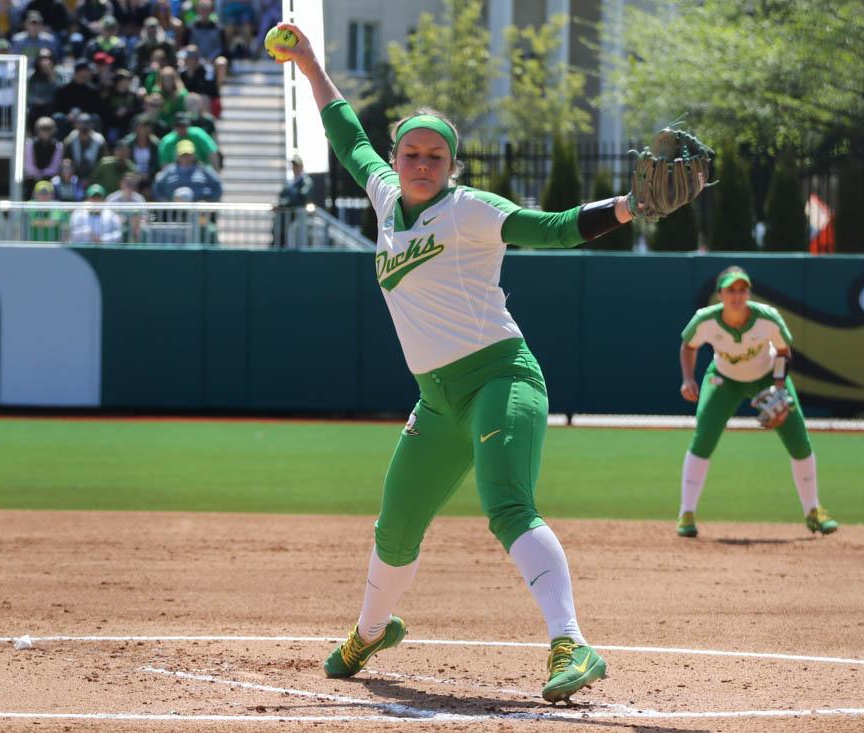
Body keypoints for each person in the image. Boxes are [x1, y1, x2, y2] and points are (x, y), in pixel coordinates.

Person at [272, 23, 657, 704]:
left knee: (507, 505)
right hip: (437, 399)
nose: (421, 163)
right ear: (400, 157)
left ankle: (571, 642)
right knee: (394, 527)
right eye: (412, 152)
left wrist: (626, 206)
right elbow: (345, 136)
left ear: (453, 165)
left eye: (435, 155)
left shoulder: (469, 211)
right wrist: (308, 65)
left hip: (501, 378)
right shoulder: (388, 196)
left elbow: (554, 227)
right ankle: (371, 629)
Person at [676, 266, 839, 538]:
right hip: (724, 378)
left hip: (766, 376)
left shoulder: (768, 318)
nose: (737, 296)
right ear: (720, 295)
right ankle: (686, 513)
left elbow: (784, 351)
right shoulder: (705, 320)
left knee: (799, 440)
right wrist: (688, 379)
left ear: (748, 293)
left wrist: (778, 389)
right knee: (703, 437)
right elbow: (688, 346)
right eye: (731, 290)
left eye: (742, 290)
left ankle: (814, 510)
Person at [151, 138, 220, 202]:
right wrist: (165, 202)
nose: (186, 157)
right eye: (183, 155)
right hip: (174, 212)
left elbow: (217, 185)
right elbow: (157, 186)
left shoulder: (203, 169)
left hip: (200, 212)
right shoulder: (169, 170)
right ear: (177, 156)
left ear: (194, 155)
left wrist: (209, 202)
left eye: (188, 154)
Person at [273, 151, 313, 248]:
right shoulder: (290, 182)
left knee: (299, 239)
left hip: (299, 216)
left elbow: (301, 197)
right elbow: (282, 195)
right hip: (288, 216)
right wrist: (281, 204)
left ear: (301, 167)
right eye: (293, 165)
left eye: (296, 165)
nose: (294, 168)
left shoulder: (306, 181)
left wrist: (285, 203)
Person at [24, 115, 63, 197]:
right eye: (42, 128)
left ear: (53, 130)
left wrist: (43, 174)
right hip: (32, 178)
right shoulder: (30, 144)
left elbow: (54, 167)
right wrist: (37, 174)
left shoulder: (58, 146)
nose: (45, 131)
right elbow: (29, 165)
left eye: (48, 129)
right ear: (37, 130)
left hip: (50, 178)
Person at [63, 112, 108, 180]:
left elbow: (103, 163)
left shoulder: (99, 141)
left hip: (94, 178)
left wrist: (91, 178)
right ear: (76, 125)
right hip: (73, 179)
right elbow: (66, 161)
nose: (84, 127)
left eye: (87, 124)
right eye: (81, 124)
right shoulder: (69, 141)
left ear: (92, 125)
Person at [105, 171, 146, 242]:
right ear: (121, 184)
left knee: (144, 229)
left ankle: (139, 250)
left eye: (131, 183)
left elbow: (144, 217)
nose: (129, 186)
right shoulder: (112, 198)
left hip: (135, 228)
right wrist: (118, 220)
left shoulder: (140, 199)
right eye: (127, 183)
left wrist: (136, 221)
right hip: (116, 226)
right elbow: (106, 217)